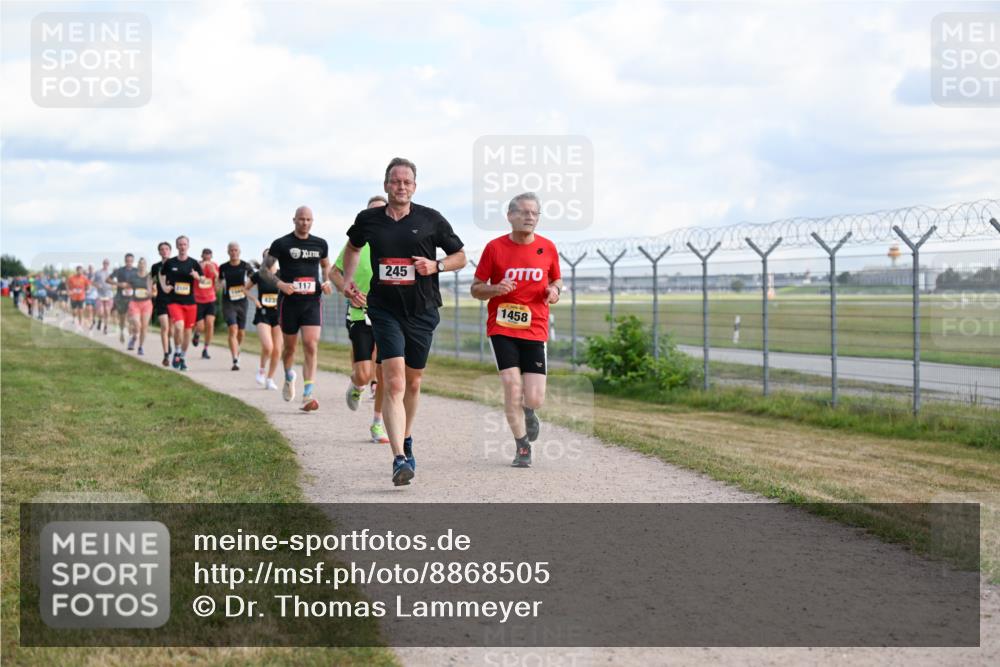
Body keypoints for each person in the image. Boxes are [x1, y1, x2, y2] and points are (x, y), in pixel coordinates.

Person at [341, 157, 466, 486]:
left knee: (413, 383)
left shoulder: (430, 219)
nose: (401, 187)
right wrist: (349, 280)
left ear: (414, 186)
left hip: (422, 311)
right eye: (395, 181)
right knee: (394, 382)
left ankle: (406, 439)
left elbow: (461, 257)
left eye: (407, 182)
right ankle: (398, 458)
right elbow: (353, 248)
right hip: (383, 309)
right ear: (386, 185)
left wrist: (436, 266)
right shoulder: (368, 220)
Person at [471, 192, 562, 468]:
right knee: (512, 387)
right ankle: (522, 446)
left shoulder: (547, 248)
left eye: (534, 213)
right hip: (502, 327)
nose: (529, 217)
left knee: (534, 396)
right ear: (510, 216)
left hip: (535, 329)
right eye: (523, 212)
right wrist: (495, 288)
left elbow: (556, 279)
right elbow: (475, 288)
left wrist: (554, 291)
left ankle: (530, 411)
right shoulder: (494, 248)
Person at [332, 195, 390, 444]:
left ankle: (378, 424)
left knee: (386, 372)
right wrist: (346, 287)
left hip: (388, 314)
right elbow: (334, 272)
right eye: (372, 213)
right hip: (360, 313)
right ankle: (356, 386)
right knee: (365, 374)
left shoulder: (396, 243)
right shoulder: (356, 245)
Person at [267, 206, 333, 411]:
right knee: (290, 348)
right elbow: (263, 271)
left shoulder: (320, 244)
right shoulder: (281, 243)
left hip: (312, 301)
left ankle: (307, 394)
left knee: (311, 344)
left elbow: (325, 266)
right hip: (289, 303)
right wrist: (281, 285)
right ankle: (288, 376)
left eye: (308, 220)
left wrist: (326, 281)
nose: (305, 223)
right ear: (294, 220)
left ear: (312, 221)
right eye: (301, 219)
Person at [158, 235, 203, 371]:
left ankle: (182, 357)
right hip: (174, 302)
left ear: (188, 246)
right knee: (178, 327)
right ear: (177, 247)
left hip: (190, 303)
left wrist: (198, 277)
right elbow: (161, 274)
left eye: (185, 244)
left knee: (188, 332)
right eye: (180, 244)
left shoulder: (194, 263)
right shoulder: (170, 263)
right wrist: (164, 287)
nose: (182, 247)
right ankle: (177, 351)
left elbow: (203, 281)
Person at [249, 253, 282, 390]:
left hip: (278, 315)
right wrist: (255, 300)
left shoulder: (282, 274)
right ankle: (262, 370)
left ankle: (270, 379)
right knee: (268, 346)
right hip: (263, 314)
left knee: (278, 349)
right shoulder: (259, 275)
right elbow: (245, 289)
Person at [218, 242, 254, 371]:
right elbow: (219, 281)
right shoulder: (223, 267)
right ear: (228, 252)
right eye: (231, 250)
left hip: (242, 302)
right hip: (228, 302)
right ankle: (235, 359)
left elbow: (254, 280)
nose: (234, 252)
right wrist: (220, 284)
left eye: (236, 250)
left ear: (240, 252)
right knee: (233, 328)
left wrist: (247, 285)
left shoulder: (246, 266)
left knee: (241, 333)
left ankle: (237, 350)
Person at [149, 242, 174, 366]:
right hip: (161, 300)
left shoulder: (176, 264)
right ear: (159, 252)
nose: (164, 251)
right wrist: (150, 291)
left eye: (166, 249)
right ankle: (166, 355)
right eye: (162, 249)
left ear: (170, 251)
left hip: (175, 300)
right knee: (165, 327)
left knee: (172, 329)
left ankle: (169, 343)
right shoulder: (155, 267)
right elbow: (150, 279)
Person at [193, 248, 219, 359]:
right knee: (200, 326)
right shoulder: (196, 265)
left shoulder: (214, 265)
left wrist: (214, 271)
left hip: (210, 299)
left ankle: (206, 349)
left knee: (210, 324)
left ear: (211, 256)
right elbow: (193, 277)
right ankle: (197, 334)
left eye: (209, 254)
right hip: (198, 299)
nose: (207, 256)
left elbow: (218, 281)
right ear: (202, 255)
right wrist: (200, 270)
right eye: (205, 254)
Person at [109, 253, 139, 349]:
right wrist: (119, 284)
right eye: (127, 261)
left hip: (133, 298)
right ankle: (122, 332)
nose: (129, 262)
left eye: (131, 261)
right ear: (125, 261)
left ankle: (130, 340)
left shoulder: (136, 271)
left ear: (133, 261)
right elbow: (108, 280)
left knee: (131, 318)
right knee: (122, 318)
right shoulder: (119, 270)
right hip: (121, 298)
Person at [127, 257, 154, 355]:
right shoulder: (133, 276)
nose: (142, 265)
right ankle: (134, 338)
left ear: (146, 265)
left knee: (144, 327)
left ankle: (140, 346)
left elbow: (154, 291)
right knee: (137, 325)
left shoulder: (150, 277)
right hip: (134, 303)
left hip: (146, 304)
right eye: (140, 263)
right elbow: (127, 288)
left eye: (143, 263)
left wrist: (152, 294)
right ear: (138, 265)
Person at [93, 258, 113, 334]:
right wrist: (97, 285)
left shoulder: (111, 273)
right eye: (105, 263)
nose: (106, 264)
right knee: (101, 312)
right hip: (100, 295)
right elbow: (93, 282)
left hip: (109, 295)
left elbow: (115, 283)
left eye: (107, 263)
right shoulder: (98, 272)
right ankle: (100, 320)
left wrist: (112, 286)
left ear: (109, 264)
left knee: (107, 312)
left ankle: (105, 327)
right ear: (103, 263)